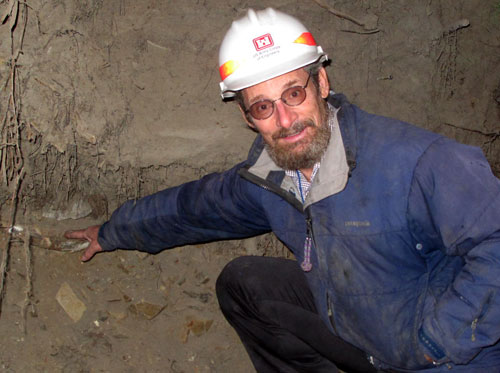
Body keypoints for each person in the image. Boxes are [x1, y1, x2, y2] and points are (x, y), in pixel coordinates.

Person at [65, 8, 500, 373]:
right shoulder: (273, 177)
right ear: (247, 117)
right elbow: (194, 208)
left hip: (441, 358)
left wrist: (439, 341)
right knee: (245, 284)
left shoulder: (416, 162)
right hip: (358, 329)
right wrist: (111, 232)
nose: (285, 119)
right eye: (263, 106)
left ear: (322, 85)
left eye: (294, 93)